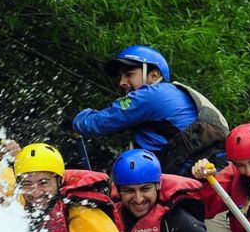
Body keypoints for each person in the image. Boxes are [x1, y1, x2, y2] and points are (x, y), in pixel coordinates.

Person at [70, 44, 229, 176]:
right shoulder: (172, 93)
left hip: (201, 173)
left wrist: (76, 120)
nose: (121, 82)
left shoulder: (151, 95)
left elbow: (99, 123)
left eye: (129, 74)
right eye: (120, 77)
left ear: (153, 75)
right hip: (213, 170)